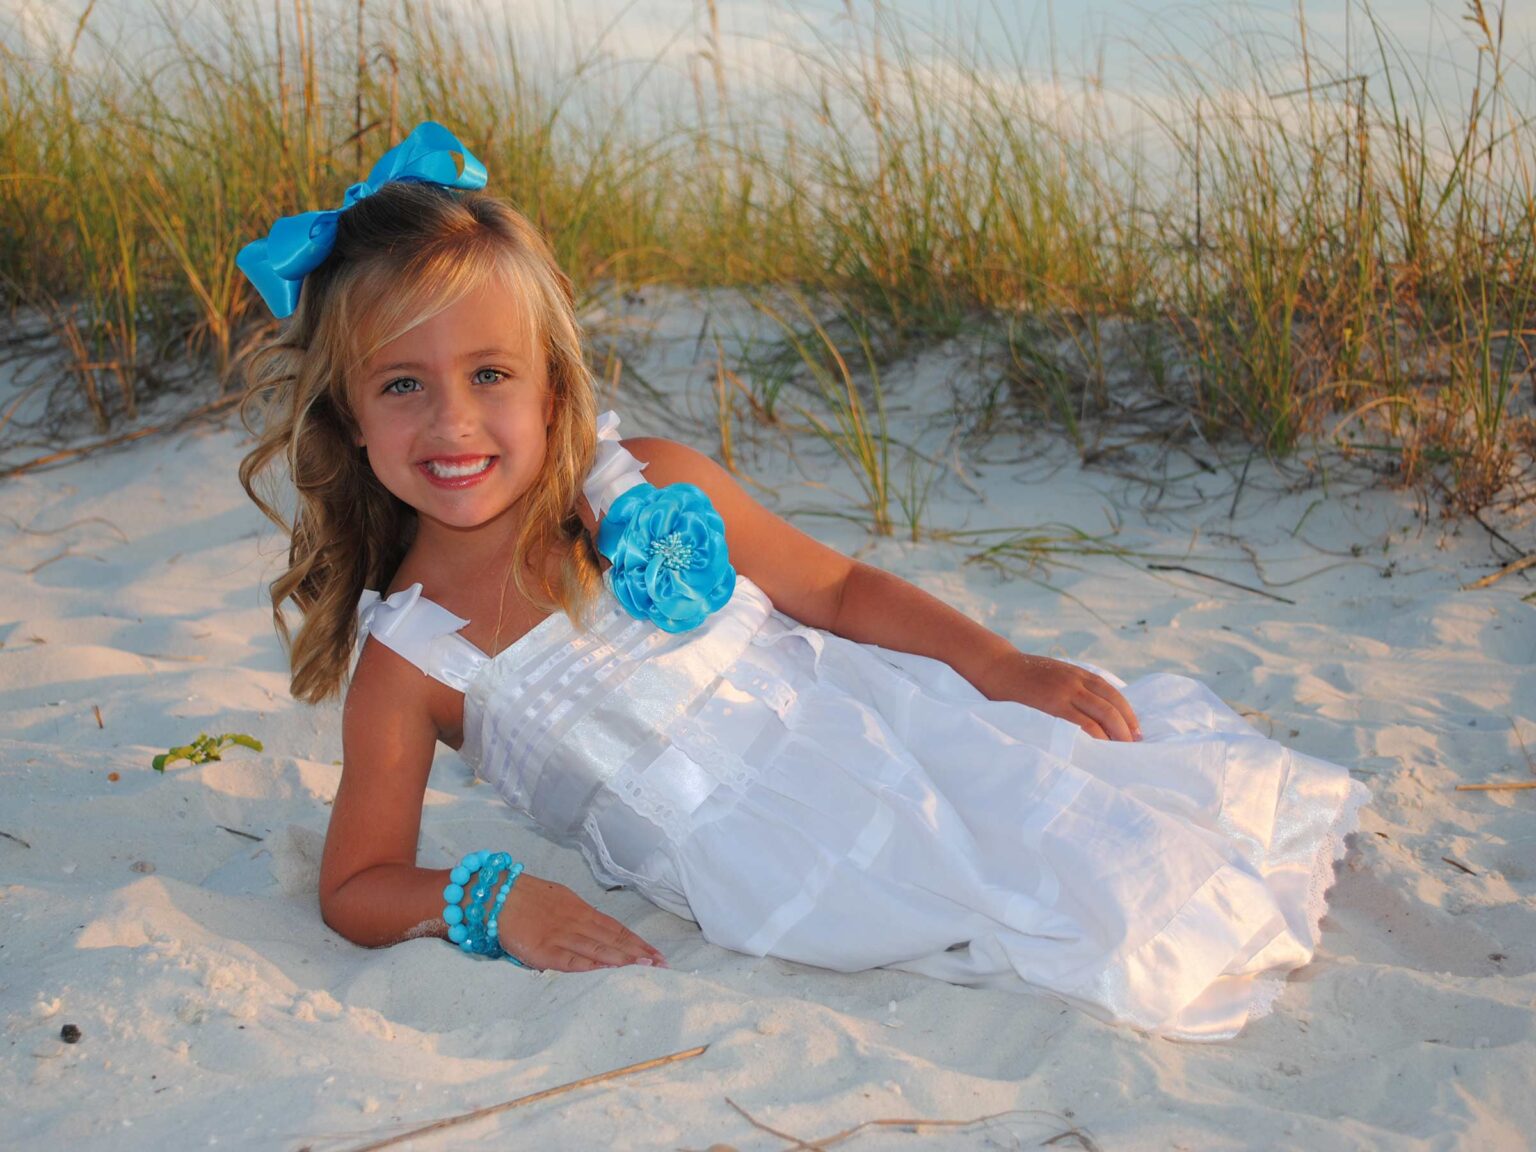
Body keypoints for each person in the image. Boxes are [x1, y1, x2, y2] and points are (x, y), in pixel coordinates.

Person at [237, 122, 1368, 1041]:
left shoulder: (645, 485)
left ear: (549, 386)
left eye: (491, 373)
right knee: (1067, 932)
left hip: (885, 733)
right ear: (346, 411)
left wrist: (998, 663)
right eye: (402, 386)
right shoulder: (413, 655)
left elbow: (834, 590)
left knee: (1126, 846)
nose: (454, 422)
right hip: (764, 868)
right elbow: (359, 883)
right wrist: (495, 900)